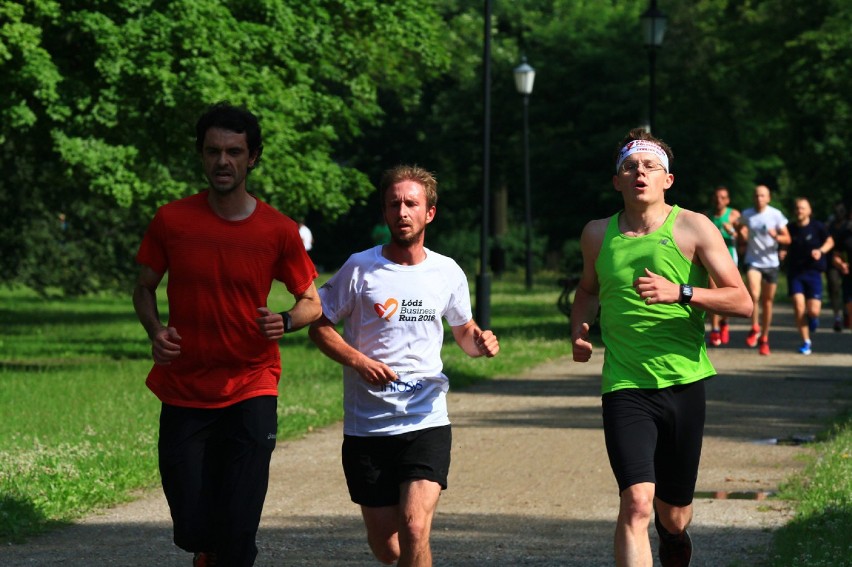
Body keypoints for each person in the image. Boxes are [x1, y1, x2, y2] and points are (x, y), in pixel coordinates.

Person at [132, 102, 322, 567]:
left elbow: (312, 302)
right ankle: (208, 550)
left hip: (251, 386)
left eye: (234, 152)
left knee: (238, 526)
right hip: (185, 388)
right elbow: (143, 288)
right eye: (213, 151)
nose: (223, 161)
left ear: (252, 157)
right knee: (193, 524)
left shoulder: (278, 230)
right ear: (201, 155)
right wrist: (156, 330)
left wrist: (287, 320)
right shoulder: (172, 221)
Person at [571, 129, 752, 567]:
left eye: (650, 166)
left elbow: (741, 301)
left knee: (673, 515)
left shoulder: (694, 226)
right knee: (635, 504)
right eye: (630, 167)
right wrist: (580, 327)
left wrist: (682, 292)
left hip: (684, 383)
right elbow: (587, 289)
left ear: (667, 180)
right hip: (625, 385)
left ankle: (673, 539)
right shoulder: (597, 234)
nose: (640, 173)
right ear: (617, 181)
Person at [308, 165, 500, 567]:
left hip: (425, 421)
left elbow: (464, 330)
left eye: (412, 203)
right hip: (368, 428)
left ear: (429, 212)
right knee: (390, 548)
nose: (402, 211)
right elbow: (318, 325)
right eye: (394, 204)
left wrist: (480, 342)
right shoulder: (360, 268)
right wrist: (359, 361)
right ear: (384, 212)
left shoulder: (446, 271)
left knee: (415, 528)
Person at [736, 184, 791, 355]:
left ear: (768, 198)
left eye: (762, 196)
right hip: (754, 261)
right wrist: (742, 237)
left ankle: (765, 337)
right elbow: (738, 226)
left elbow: (788, 239)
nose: (759, 199)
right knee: (754, 293)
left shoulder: (775, 215)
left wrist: (777, 236)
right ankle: (754, 326)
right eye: (756, 196)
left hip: (772, 263)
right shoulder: (747, 214)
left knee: (768, 302)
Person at [786, 197, 834, 354]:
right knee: (799, 306)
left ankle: (813, 318)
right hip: (795, 273)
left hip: (813, 273)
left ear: (809, 211)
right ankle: (806, 341)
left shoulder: (817, 227)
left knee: (813, 310)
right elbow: (784, 244)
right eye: (797, 208)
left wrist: (821, 251)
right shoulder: (790, 228)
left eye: (803, 208)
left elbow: (830, 241)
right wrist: (782, 252)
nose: (799, 210)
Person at [706, 186, 741, 346]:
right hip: (713, 257)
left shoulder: (734, 215)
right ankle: (714, 329)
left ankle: (724, 322)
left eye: (723, 197)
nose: (719, 200)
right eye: (717, 197)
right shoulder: (708, 217)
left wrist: (732, 230)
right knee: (713, 290)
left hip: (729, 256)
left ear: (727, 200)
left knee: (727, 291)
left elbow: (743, 235)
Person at [826, 202, 848, 331]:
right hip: (832, 261)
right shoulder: (830, 226)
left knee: (846, 289)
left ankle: (846, 312)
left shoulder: (848, 226)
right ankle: (837, 316)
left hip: (845, 260)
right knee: (834, 287)